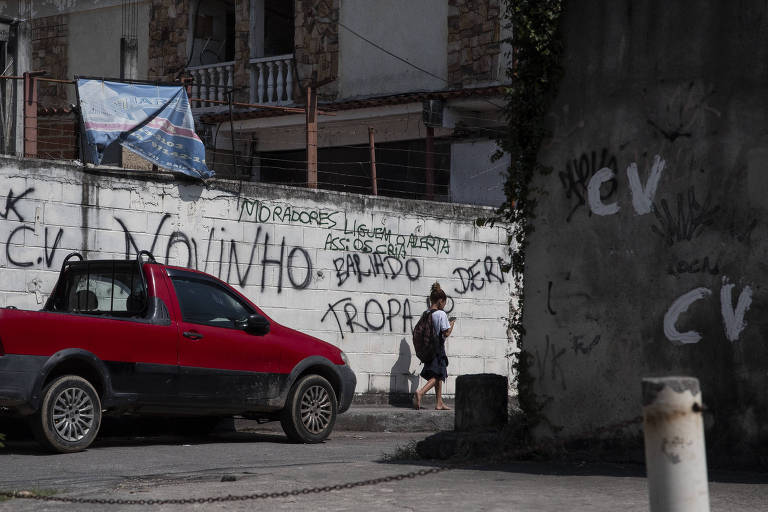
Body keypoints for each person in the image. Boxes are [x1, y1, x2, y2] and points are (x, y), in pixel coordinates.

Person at [414, 282, 455, 410]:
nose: (444, 305)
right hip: (438, 349)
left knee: (437, 373)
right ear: (440, 301)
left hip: (428, 348)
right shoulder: (441, 314)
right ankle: (420, 392)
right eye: (444, 303)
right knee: (438, 375)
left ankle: (439, 403)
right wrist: (452, 323)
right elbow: (446, 333)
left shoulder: (426, 313)